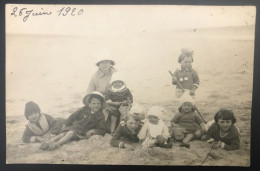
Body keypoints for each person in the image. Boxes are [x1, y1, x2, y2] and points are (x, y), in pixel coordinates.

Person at [40, 91, 108, 150]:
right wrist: (66, 124)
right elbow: (72, 116)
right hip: (74, 127)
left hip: (82, 132)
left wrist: (93, 131)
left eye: (98, 103)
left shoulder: (100, 116)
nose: (96, 105)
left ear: (101, 105)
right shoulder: (84, 110)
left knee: (70, 134)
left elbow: (102, 129)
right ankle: (50, 141)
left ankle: (57, 144)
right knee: (62, 134)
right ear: (89, 104)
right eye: (94, 103)